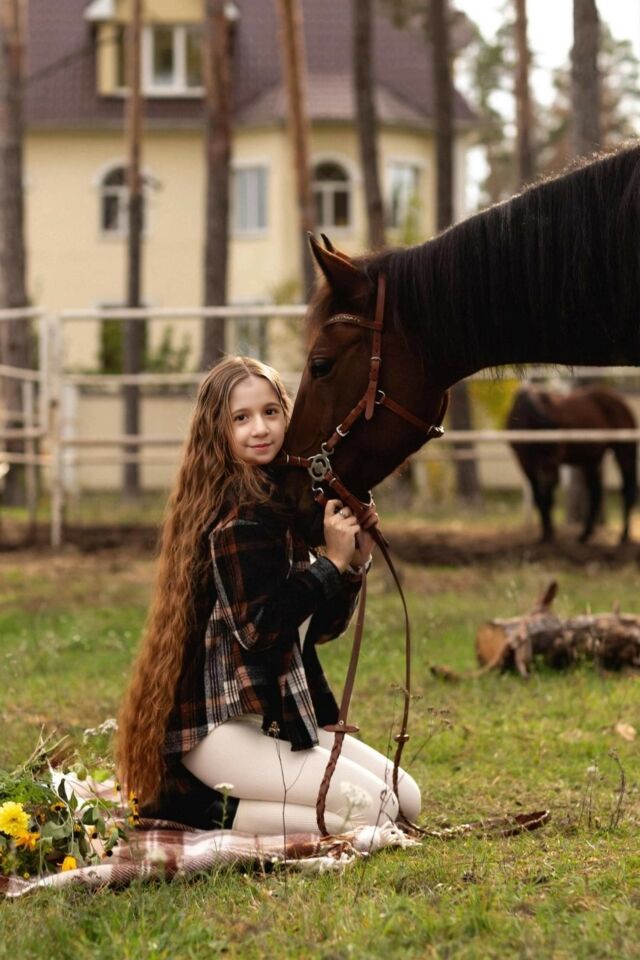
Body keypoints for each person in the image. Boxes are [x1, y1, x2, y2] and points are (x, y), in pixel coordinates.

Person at [117, 356, 420, 835]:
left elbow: (318, 630)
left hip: (278, 716)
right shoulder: (239, 516)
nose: (260, 428)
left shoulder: (288, 502)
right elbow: (259, 631)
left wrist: (352, 565)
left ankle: (233, 807)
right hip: (221, 727)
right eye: (241, 418)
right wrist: (329, 564)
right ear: (218, 430)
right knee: (374, 810)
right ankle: (195, 810)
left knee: (405, 799)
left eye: (270, 412)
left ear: (288, 416)